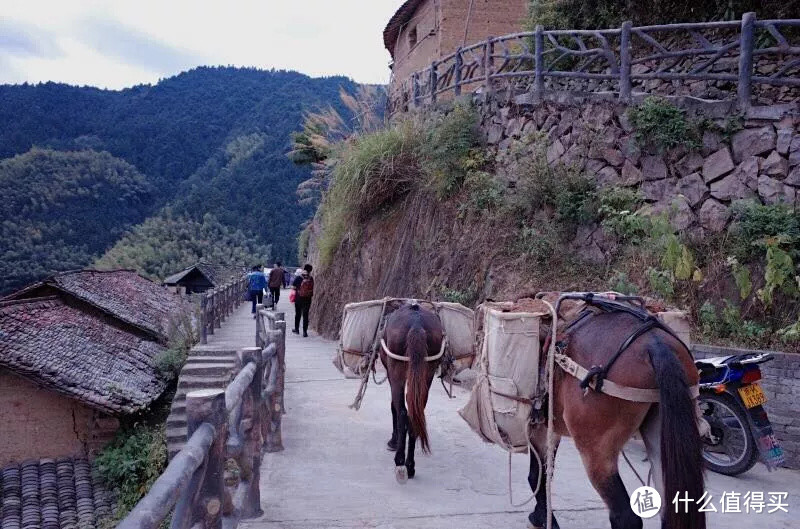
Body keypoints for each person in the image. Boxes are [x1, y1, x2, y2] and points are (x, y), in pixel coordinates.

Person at [291, 264, 314, 337]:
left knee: (298, 314)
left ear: (304, 269)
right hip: (308, 299)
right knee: (305, 315)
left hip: (298, 298)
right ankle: (305, 332)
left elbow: (293, 287)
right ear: (310, 270)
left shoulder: (299, 277)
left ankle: (297, 329)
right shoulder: (311, 278)